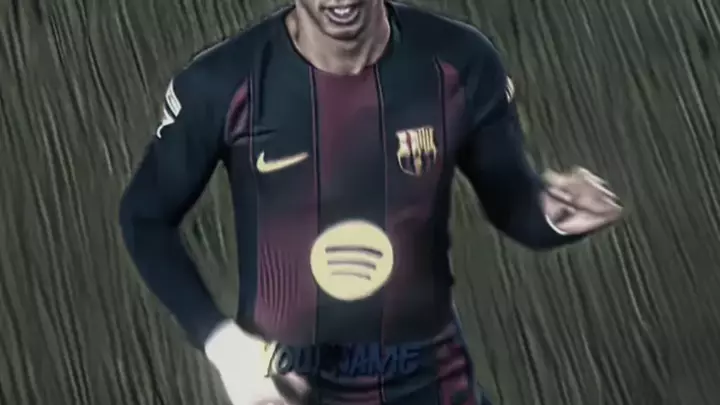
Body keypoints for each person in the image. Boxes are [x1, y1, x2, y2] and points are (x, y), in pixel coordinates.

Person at [118, 0, 623, 404]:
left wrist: (551, 216)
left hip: (430, 379)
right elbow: (145, 217)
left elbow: (512, 201)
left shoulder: (460, 63)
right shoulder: (223, 84)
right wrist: (225, 346)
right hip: (288, 383)